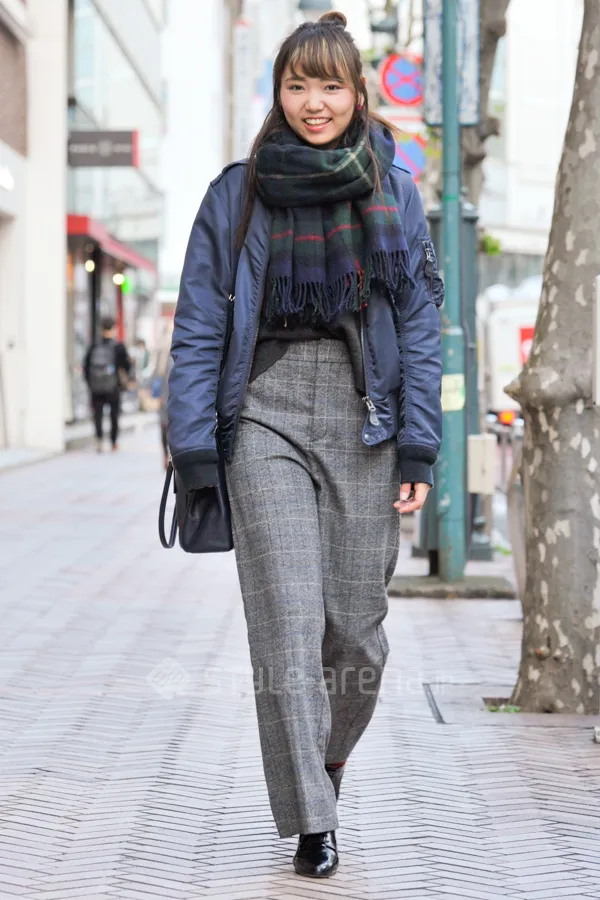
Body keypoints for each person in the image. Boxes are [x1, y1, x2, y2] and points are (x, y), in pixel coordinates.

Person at [167, 11, 443, 879]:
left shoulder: (395, 192)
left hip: (367, 416)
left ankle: (327, 760)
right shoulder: (236, 194)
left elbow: (420, 322)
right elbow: (200, 323)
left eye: (330, 85)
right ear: (277, 93)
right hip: (264, 413)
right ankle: (312, 821)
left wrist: (420, 445)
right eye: (297, 84)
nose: (313, 102)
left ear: (358, 92)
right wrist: (194, 444)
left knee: (355, 634)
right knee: (286, 627)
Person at [84, 316, 133, 452]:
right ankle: (113, 442)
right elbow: (127, 365)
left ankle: (99, 440)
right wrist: (126, 379)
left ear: (101, 329)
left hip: (96, 387)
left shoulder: (94, 346)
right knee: (114, 415)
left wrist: (90, 382)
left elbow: (86, 366)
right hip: (113, 386)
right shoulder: (118, 346)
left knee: (97, 414)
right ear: (114, 328)